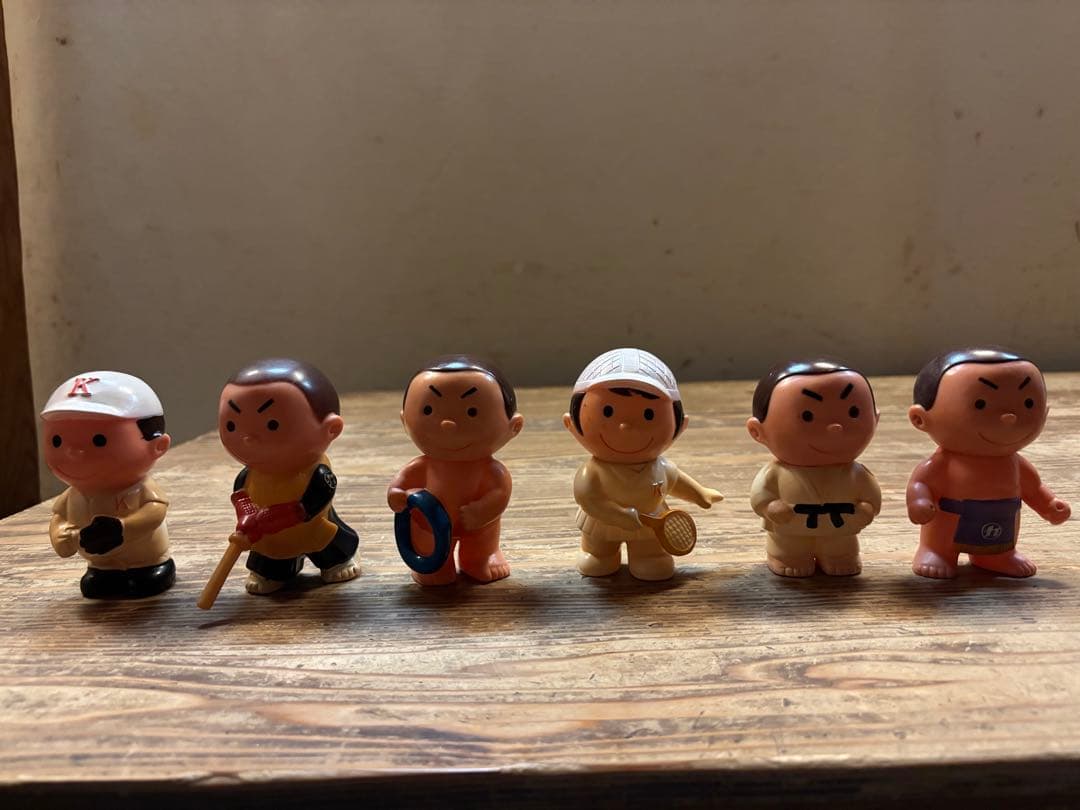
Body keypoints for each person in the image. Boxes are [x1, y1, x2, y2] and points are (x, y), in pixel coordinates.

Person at [907, 347, 1070, 579]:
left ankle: (998, 556)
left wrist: (1049, 505)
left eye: (1028, 403)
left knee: (999, 544)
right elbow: (920, 483)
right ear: (920, 419)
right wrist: (919, 501)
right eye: (981, 404)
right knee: (941, 541)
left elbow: (1034, 489)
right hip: (951, 517)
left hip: (1001, 518)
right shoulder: (942, 464)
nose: (1009, 417)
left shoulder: (1016, 464)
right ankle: (935, 552)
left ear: (1044, 412)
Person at [564, 348, 723, 581]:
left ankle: (649, 557)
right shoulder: (592, 472)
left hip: (651, 521)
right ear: (571, 424)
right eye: (608, 411)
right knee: (599, 550)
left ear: (679, 427)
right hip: (603, 523)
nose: (625, 427)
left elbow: (676, 481)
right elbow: (590, 500)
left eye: (649, 415)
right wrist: (619, 515)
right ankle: (598, 555)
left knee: (650, 553)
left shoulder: (661, 468)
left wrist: (700, 493)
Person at [218, 358, 359, 595]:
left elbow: (310, 506)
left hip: (312, 528)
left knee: (329, 544)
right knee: (271, 557)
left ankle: (339, 560)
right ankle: (274, 571)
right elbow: (241, 497)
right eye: (232, 425)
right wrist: (246, 519)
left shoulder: (317, 473)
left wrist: (275, 517)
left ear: (331, 429)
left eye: (272, 424)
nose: (249, 438)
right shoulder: (248, 476)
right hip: (270, 538)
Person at [388, 355, 524, 585]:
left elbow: (499, 494)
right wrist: (397, 496)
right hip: (428, 525)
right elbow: (399, 487)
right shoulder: (421, 466)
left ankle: (480, 560)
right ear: (405, 421)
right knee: (431, 554)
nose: (447, 425)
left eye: (472, 412)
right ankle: (435, 567)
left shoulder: (492, 472)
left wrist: (482, 511)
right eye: (428, 410)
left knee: (481, 546)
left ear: (514, 427)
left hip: (479, 526)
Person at [42, 371, 175, 598]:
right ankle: (105, 573)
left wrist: (122, 528)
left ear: (158, 446)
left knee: (147, 582)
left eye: (99, 440)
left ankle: (153, 569)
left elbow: (155, 512)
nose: (74, 452)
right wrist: (61, 534)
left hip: (147, 560)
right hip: (101, 566)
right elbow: (59, 518)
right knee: (95, 586)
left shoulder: (141, 489)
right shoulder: (73, 495)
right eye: (57, 441)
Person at [746, 359, 881, 577]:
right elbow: (761, 495)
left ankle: (841, 556)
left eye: (853, 412)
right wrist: (770, 506)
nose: (836, 427)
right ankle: (784, 557)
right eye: (807, 416)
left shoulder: (856, 474)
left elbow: (871, 497)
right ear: (758, 431)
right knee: (790, 547)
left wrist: (868, 508)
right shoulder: (776, 473)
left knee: (840, 547)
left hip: (840, 528)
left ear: (876, 420)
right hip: (791, 528)